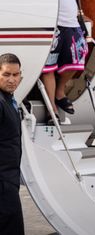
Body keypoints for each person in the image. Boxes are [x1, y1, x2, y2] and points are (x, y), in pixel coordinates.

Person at [41, 0, 89, 125]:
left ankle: (60, 92)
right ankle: (52, 107)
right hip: (52, 22)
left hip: (71, 21)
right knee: (49, 67)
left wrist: (81, 16)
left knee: (77, 60)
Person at [0, 53, 25, 235]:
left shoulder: (9, 100)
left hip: (9, 180)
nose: (11, 80)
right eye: (6, 75)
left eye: (15, 75)